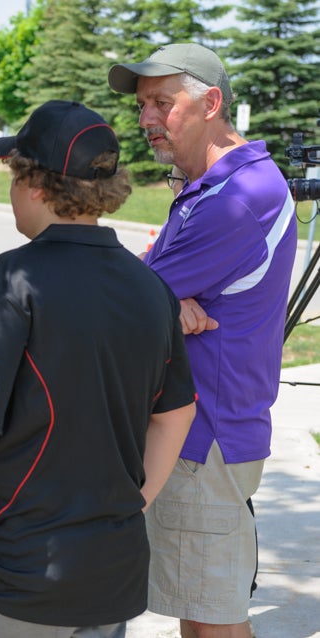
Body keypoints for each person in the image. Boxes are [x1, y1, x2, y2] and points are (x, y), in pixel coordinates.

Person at [0, 100, 197, 638]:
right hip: (109, 576)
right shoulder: (152, 289)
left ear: (36, 185)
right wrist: (134, 502)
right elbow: (176, 413)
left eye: (14, 175)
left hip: (12, 571)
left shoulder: (12, 280)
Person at [108, 43, 297, 638]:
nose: (146, 119)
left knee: (214, 619)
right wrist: (164, 297)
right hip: (199, 433)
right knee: (201, 609)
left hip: (204, 435)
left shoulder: (238, 200)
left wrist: (155, 296)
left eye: (162, 102)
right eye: (143, 106)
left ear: (211, 102)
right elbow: (141, 280)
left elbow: (114, 304)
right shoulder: (214, 187)